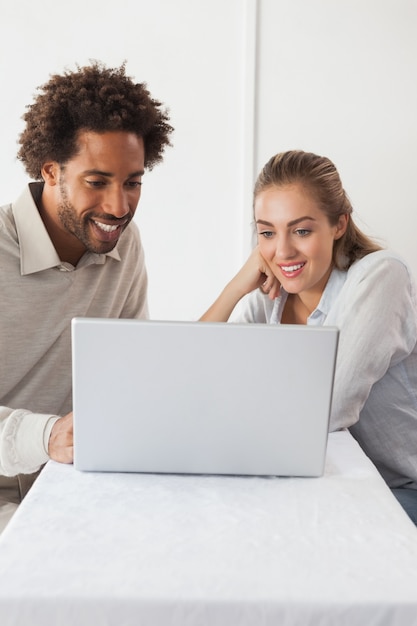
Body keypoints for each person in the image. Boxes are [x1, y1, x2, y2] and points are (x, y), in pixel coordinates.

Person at [0, 61, 173, 530]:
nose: (119, 207)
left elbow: (131, 369)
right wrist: (46, 434)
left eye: (133, 182)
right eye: (97, 182)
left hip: (73, 484)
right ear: (51, 171)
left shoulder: (122, 242)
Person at [201, 150, 417, 525]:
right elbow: (193, 374)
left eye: (301, 230)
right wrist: (234, 288)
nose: (282, 251)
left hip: (397, 489)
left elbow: (330, 409)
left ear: (339, 225)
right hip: (325, 482)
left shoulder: (382, 276)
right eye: (267, 232)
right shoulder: (272, 298)